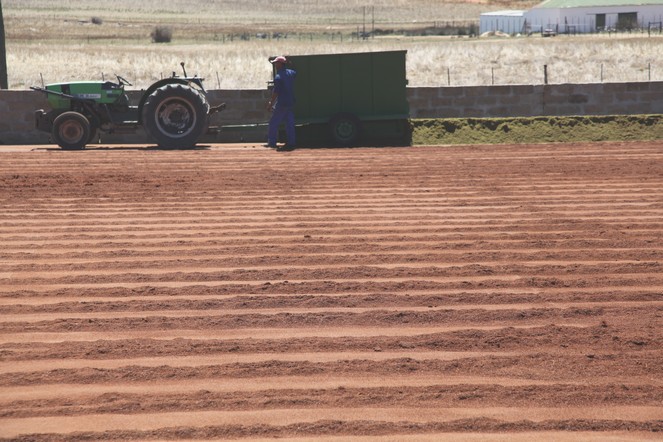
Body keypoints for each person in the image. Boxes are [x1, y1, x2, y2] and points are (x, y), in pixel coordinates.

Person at [266, 56, 296, 150]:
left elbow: (276, 92)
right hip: (290, 102)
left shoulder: (278, 77)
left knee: (273, 123)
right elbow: (295, 73)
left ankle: (272, 142)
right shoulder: (291, 73)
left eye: (276, 63)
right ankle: (291, 142)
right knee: (289, 124)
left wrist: (271, 103)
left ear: (280, 64)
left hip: (282, 103)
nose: (275, 65)